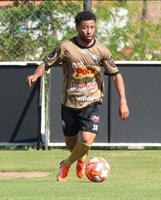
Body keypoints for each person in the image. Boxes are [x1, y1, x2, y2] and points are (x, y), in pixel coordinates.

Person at [26, 11, 129, 182]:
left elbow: (116, 74)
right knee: (72, 145)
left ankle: (65, 165)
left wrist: (123, 101)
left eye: (92, 27)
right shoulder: (65, 48)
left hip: (92, 101)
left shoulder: (102, 50)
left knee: (87, 141)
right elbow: (46, 63)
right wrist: (36, 75)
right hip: (70, 102)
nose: (89, 31)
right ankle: (81, 160)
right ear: (77, 28)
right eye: (85, 27)